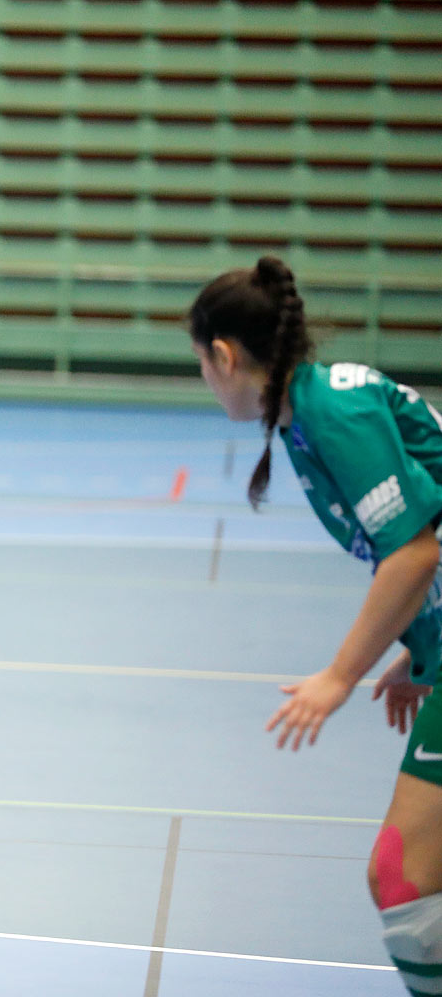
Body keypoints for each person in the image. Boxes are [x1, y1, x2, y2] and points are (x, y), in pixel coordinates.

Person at [190, 255, 442, 994]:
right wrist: (419, 651)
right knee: (408, 875)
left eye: (202, 365)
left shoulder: (333, 413)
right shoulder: (309, 415)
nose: (205, 383)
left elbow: (414, 554)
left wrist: (339, 677)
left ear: (226, 356)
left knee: (403, 875)